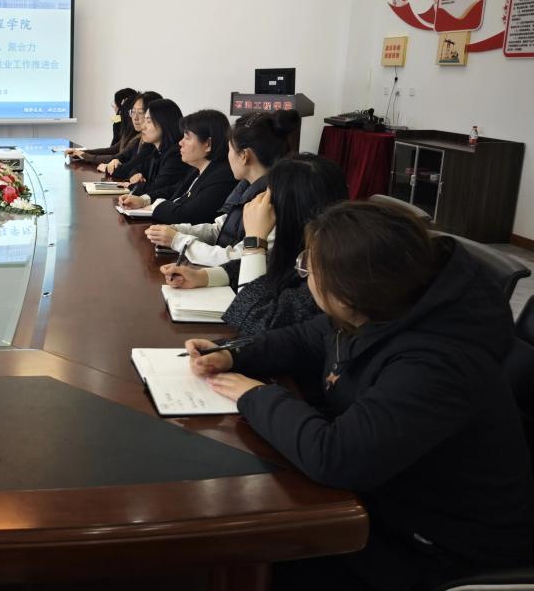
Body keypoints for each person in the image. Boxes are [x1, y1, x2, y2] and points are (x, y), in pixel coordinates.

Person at [186, 200, 534, 590]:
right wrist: (235, 354)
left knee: (247, 549)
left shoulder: (438, 363)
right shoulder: (386, 306)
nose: (306, 277)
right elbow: (307, 337)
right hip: (386, 497)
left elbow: (335, 457)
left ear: (348, 294)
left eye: (310, 269)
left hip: (439, 546)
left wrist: (255, 395)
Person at [162, 153, 348, 339]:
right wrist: (204, 276)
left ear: (292, 207)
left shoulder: (327, 271)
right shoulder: (301, 242)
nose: (262, 201)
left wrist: (255, 242)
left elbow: (253, 320)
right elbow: (269, 263)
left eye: (270, 195)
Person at [144, 109, 300, 266]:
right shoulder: (246, 187)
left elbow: (238, 258)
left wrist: (179, 240)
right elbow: (220, 229)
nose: (227, 155)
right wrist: (177, 231)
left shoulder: (275, 199)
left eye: (230, 149)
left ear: (244, 155)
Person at [119, 110, 236, 226]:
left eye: (187, 138)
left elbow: (185, 215)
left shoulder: (222, 176)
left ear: (208, 144)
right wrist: (143, 200)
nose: (180, 142)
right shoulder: (197, 169)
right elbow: (174, 190)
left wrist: (155, 206)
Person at [122, 98, 191, 201]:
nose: (143, 127)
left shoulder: (176, 154)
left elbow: (155, 189)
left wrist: (131, 186)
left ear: (165, 123)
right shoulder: (156, 150)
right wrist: (135, 174)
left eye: (148, 121)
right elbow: (136, 168)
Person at [100, 91, 163, 179]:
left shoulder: (146, 140)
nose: (135, 118)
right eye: (133, 112)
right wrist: (115, 160)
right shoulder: (137, 136)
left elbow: (129, 167)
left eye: (140, 112)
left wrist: (87, 156)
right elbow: (120, 154)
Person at [64, 86, 136, 158]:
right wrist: (81, 153)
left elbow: (115, 155)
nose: (113, 106)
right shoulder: (122, 124)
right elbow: (112, 149)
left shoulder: (133, 133)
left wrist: (83, 155)